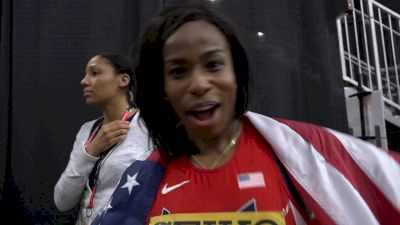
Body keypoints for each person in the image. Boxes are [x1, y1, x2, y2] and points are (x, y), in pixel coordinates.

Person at [130, 3, 400, 225]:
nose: (199, 84)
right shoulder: (141, 183)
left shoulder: (307, 155)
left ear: (236, 73)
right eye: (178, 71)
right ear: (162, 87)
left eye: (213, 64)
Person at [53, 53, 157, 225]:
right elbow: (62, 201)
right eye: (86, 74)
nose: (84, 81)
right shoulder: (87, 131)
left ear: (123, 80)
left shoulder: (149, 127)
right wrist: (91, 151)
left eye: (94, 73)